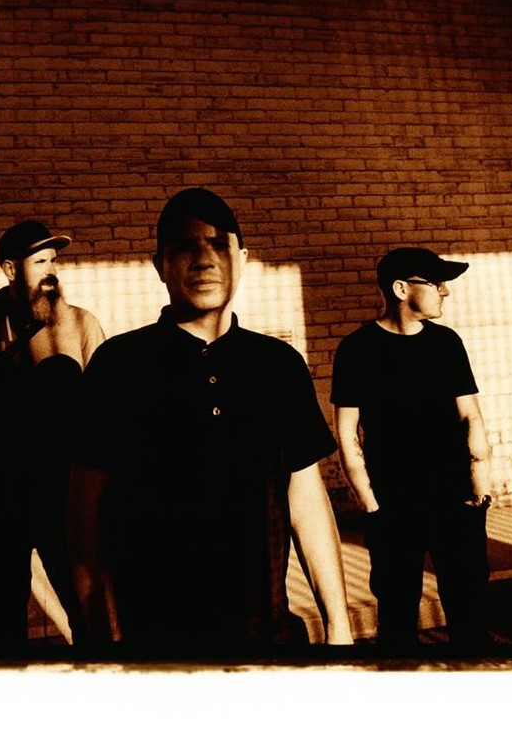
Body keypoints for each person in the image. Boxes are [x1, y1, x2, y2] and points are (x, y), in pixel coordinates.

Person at [68, 188, 354, 654]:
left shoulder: (277, 365)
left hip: (268, 640)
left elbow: (305, 500)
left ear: (242, 259)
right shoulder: (119, 365)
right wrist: (103, 638)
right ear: (159, 265)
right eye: (185, 246)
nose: (204, 260)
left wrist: (339, 628)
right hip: (158, 645)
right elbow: (85, 520)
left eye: (219, 244)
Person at [0, 220, 105, 648]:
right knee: (5, 627)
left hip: (66, 503)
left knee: (89, 617)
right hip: (1, 507)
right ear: (10, 269)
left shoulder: (81, 326)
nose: (51, 270)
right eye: (40, 262)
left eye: (54, 260)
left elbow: (103, 418)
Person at [331, 246, 493, 656]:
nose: (445, 291)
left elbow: (471, 417)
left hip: (456, 499)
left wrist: (481, 490)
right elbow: (347, 434)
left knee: (470, 611)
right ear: (401, 289)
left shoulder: (447, 343)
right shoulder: (356, 350)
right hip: (393, 506)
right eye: (436, 283)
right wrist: (371, 505)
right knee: (398, 614)